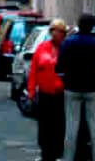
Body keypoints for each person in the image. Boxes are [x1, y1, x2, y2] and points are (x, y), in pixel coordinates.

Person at [55, 13, 95, 161]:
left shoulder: (68, 43)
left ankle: (68, 158)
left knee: (71, 127)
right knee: (94, 127)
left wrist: (65, 74)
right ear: (93, 26)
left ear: (78, 24)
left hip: (72, 87)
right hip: (93, 88)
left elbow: (59, 66)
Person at [28, 18, 68, 161]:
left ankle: (58, 153)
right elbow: (33, 70)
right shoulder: (42, 47)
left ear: (63, 34)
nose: (55, 35)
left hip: (61, 95)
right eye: (53, 31)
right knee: (45, 125)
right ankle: (45, 153)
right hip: (45, 94)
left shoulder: (67, 49)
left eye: (58, 32)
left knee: (59, 125)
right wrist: (31, 90)